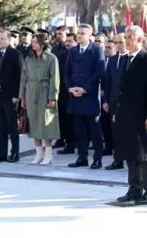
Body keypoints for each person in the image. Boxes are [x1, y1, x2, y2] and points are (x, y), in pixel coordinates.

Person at [114, 26, 147, 205]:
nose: (127, 40)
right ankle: (134, 189)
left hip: (144, 116)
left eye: (131, 37)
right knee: (131, 154)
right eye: (126, 37)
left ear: (141, 39)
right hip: (127, 115)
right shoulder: (126, 59)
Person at [65, 24, 106, 169]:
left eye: (83, 33)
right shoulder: (73, 51)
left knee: (94, 129)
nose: (80, 35)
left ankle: (97, 159)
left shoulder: (96, 50)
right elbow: (67, 72)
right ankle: (82, 157)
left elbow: (99, 73)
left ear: (90, 35)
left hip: (89, 95)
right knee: (79, 130)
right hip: (75, 95)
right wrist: (70, 87)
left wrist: (85, 89)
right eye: (79, 33)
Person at [20, 33, 60, 165]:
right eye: (32, 42)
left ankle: (48, 154)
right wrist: (22, 95)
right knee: (33, 123)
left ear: (43, 43)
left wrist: (52, 97)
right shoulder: (29, 58)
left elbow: (54, 79)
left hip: (45, 91)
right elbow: (23, 78)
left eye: (36, 42)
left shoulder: (51, 58)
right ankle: (38, 154)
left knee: (46, 123)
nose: (33, 44)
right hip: (31, 92)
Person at [0, 30, 24, 163]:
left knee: (12, 125)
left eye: (2, 39)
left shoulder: (16, 54)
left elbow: (20, 76)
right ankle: (2, 152)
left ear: (9, 40)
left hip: (10, 95)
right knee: (1, 125)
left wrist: (16, 95)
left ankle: (15, 152)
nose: (0, 41)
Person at [102, 33, 127, 170]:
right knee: (115, 132)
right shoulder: (113, 59)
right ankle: (118, 160)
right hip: (113, 101)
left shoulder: (130, 58)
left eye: (121, 42)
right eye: (116, 43)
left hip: (127, 103)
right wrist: (106, 100)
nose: (119, 45)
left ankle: (130, 159)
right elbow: (108, 82)